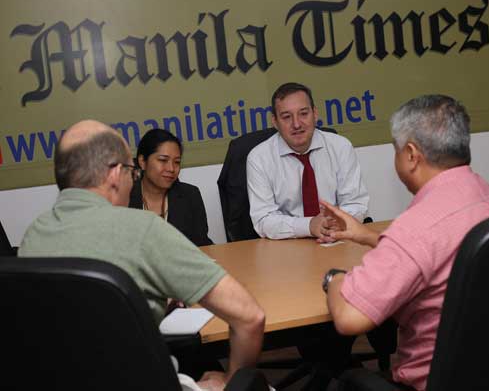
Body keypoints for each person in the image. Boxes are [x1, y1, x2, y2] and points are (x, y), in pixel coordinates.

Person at [18, 120, 265, 391]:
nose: (131, 179)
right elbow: (249, 317)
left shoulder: (33, 237)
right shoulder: (142, 228)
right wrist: (230, 381)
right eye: (130, 171)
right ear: (114, 175)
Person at [320, 95, 489, 391]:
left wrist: (334, 278)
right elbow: (447, 248)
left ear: (411, 154)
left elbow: (349, 319)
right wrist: (367, 236)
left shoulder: (415, 227)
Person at [247, 82, 369, 240]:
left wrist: (336, 222)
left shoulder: (340, 147)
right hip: (288, 249)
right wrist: (309, 225)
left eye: (303, 114)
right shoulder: (259, 158)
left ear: (315, 114)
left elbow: (357, 204)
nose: (297, 124)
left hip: (337, 239)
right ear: (275, 122)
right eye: (286, 117)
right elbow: (263, 220)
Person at [129, 128, 213, 247]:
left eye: (177, 162)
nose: (171, 169)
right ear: (142, 162)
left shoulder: (190, 196)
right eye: (163, 160)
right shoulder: (123, 198)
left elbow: (201, 245)